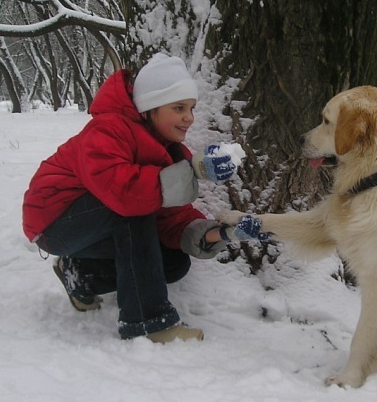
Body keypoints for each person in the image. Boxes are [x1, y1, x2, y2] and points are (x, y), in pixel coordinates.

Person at [22, 53, 264, 342]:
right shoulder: (108, 129)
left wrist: (219, 233)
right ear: (150, 108)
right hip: (54, 221)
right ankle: (148, 323)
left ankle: (80, 274)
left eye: (191, 108)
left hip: (94, 224)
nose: (189, 117)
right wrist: (194, 171)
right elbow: (123, 193)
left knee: (173, 262)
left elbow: (170, 215)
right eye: (178, 107)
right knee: (132, 207)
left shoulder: (167, 149)